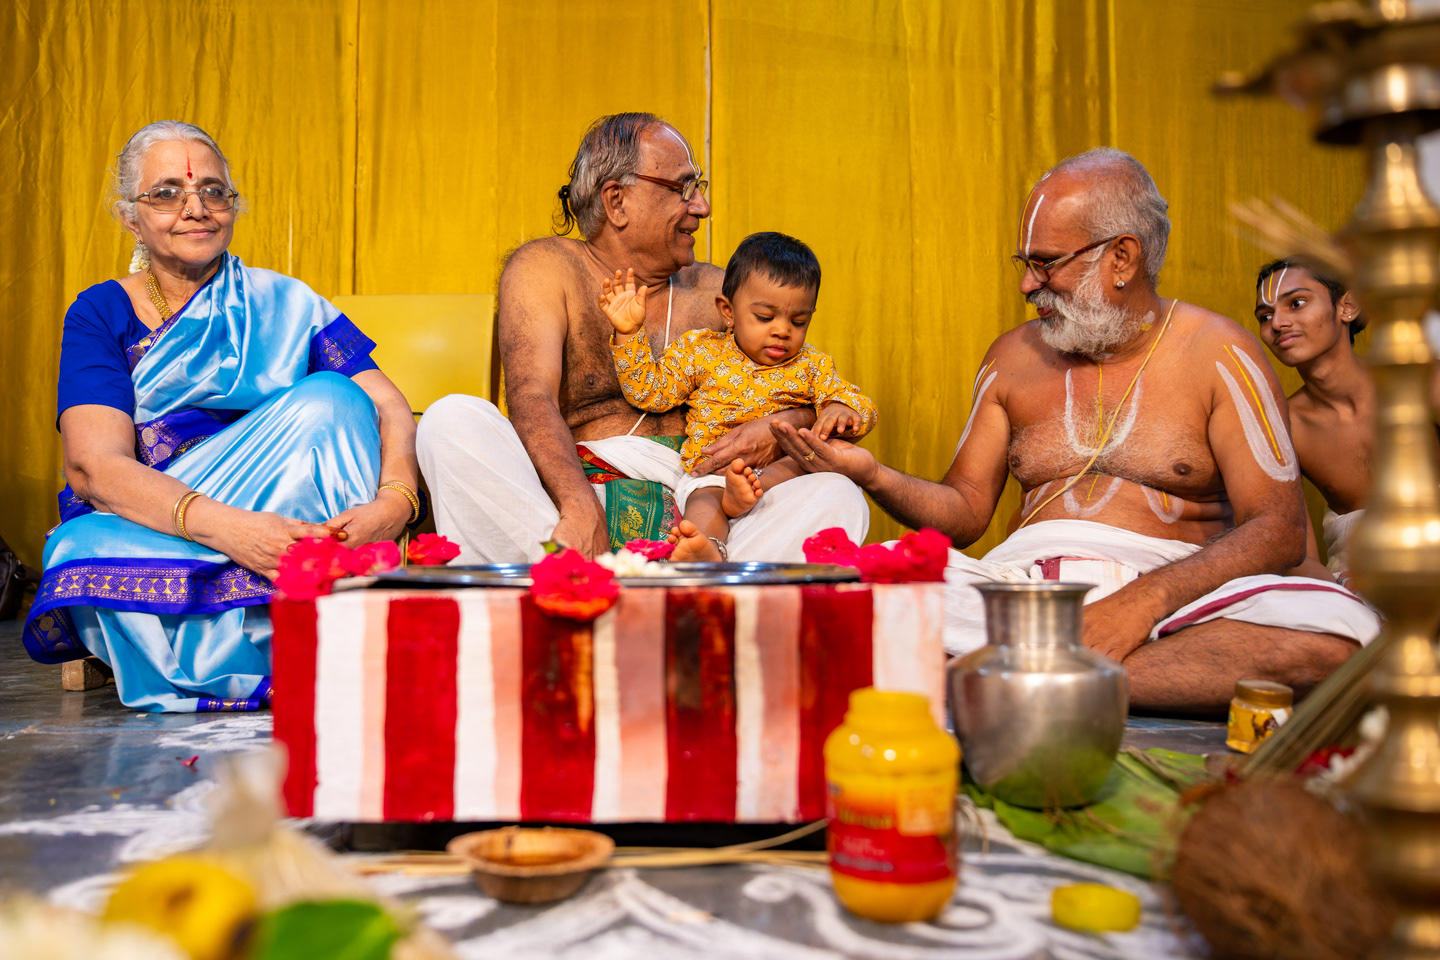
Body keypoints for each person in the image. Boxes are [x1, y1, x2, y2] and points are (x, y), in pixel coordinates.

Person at [772, 148, 1380, 714]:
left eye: (1045, 264)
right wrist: (872, 474)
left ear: (1122, 258)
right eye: (1024, 265)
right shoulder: (1011, 357)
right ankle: (1052, 675)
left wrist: (1139, 605)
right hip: (1021, 596)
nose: (1026, 285)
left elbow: (1276, 528)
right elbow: (964, 513)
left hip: (1176, 602)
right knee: (831, 599)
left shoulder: (1220, 353)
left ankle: (1007, 679)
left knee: (1337, 641)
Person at [22, 121, 419, 712]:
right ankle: (301, 638)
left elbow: (389, 406)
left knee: (331, 399)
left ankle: (303, 616)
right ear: (130, 218)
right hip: (169, 518)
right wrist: (233, 530)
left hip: (293, 517)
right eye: (166, 193)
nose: (195, 208)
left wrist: (396, 499)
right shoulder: (101, 311)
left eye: (213, 191)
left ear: (232, 206)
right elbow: (93, 466)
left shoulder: (286, 302)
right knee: (81, 549)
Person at [416, 113, 868, 562]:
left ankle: (687, 573)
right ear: (617, 201)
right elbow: (532, 397)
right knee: (450, 420)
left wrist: (785, 423)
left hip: (707, 505)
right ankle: (578, 569)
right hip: (571, 500)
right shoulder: (547, 268)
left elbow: (807, 379)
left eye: (698, 188)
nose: (702, 207)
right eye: (683, 188)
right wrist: (578, 506)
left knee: (837, 494)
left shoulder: (721, 291)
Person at [598, 232, 877, 560]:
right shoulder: (702, 351)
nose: (782, 330)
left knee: (832, 456)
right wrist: (629, 332)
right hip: (716, 476)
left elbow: (858, 405)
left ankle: (746, 492)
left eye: (799, 321)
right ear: (727, 311)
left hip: (784, 476)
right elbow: (650, 393)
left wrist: (840, 408)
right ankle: (706, 549)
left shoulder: (812, 366)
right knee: (703, 501)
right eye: (765, 318)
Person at [1252, 257, 1371, 587]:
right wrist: (1342, 592)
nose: (1277, 323)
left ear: (1347, 307)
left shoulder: (1422, 381)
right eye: (1265, 316)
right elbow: (1299, 557)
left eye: (1296, 303)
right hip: (1355, 582)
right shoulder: (1282, 428)